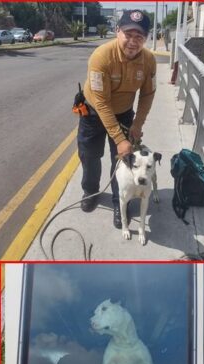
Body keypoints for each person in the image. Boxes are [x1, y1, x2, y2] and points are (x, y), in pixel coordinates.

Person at [78, 9, 157, 229]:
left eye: (139, 36)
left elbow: (148, 93)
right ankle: (90, 191)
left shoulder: (149, 60)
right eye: (128, 34)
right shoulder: (101, 57)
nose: (133, 41)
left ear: (146, 38)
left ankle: (119, 202)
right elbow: (101, 103)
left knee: (123, 160)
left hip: (123, 113)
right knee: (90, 155)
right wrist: (118, 137)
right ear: (117, 31)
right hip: (94, 112)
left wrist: (137, 124)